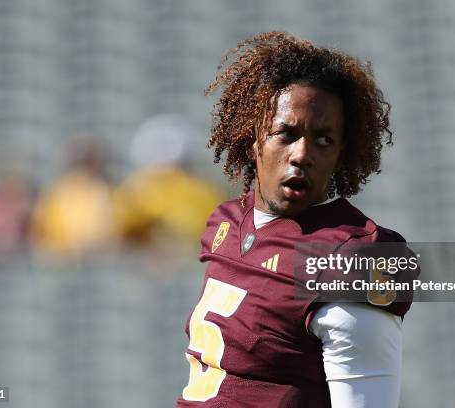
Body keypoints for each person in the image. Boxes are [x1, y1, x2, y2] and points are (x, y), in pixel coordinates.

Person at [177, 31, 418, 408]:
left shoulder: (347, 256)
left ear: (341, 152)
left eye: (323, 140)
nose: (302, 154)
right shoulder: (223, 223)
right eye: (286, 133)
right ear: (252, 137)